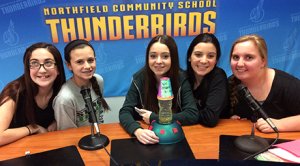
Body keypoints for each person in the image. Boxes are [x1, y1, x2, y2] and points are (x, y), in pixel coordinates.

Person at [119, 35, 199, 145]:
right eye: (153, 56)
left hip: (174, 136)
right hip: (148, 136)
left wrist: (154, 117)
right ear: (147, 58)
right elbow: (124, 112)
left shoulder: (181, 78)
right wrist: (137, 131)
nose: (158, 61)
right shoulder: (139, 78)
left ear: (173, 59)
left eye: (165, 56)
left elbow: (192, 114)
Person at [228, 34, 300, 133]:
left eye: (248, 57)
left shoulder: (288, 85)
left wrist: (279, 124)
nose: (240, 64)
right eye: (236, 57)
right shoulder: (228, 85)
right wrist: (229, 120)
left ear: (263, 61)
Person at [0, 42, 66, 146]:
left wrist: (57, 121)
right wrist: (32, 128)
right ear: (27, 69)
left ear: (58, 69)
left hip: (45, 148)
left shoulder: (62, 91)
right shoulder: (14, 92)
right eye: (34, 63)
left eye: (48, 63)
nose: (42, 70)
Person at [53, 39, 109, 130]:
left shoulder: (98, 80)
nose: (87, 66)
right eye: (79, 62)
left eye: (90, 60)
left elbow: (99, 116)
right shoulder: (64, 99)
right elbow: (67, 135)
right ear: (69, 65)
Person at [186, 33, 230, 127]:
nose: (204, 61)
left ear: (216, 60)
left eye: (210, 56)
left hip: (215, 134)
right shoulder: (183, 77)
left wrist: (186, 115)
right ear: (189, 57)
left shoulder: (218, 76)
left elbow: (210, 118)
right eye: (198, 55)